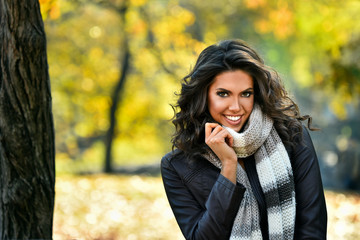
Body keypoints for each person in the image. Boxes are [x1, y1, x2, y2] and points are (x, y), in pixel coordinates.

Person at [161, 39, 327, 240]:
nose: (236, 107)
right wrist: (228, 165)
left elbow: (312, 227)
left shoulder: (291, 136)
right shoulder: (178, 166)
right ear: (203, 95)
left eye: (246, 94)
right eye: (223, 94)